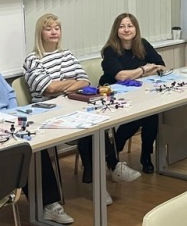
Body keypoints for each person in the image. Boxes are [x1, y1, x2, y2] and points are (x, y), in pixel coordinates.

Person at [23, 13, 103, 215]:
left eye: (56, 28)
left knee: (96, 126)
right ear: (40, 33)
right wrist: (70, 83)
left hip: (71, 106)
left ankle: (98, 180)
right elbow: (48, 89)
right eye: (48, 28)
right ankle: (51, 202)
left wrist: (61, 85)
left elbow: (84, 81)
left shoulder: (66, 55)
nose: (53, 32)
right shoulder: (32, 60)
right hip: (45, 112)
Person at [99, 13, 164, 177]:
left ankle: (146, 155)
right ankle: (113, 152)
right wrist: (144, 69)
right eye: (122, 26)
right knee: (138, 116)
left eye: (130, 26)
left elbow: (160, 66)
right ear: (116, 30)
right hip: (113, 94)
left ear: (136, 28)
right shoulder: (110, 50)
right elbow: (121, 76)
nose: (126, 30)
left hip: (139, 91)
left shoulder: (143, 44)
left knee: (152, 115)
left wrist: (137, 73)